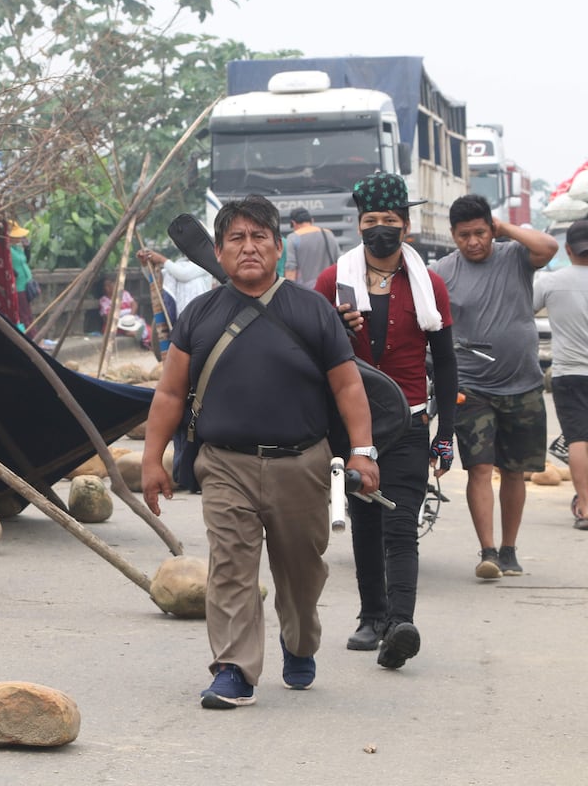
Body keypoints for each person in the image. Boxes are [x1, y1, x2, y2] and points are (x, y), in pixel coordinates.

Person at [142, 194, 379, 709]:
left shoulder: (312, 310)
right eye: (235, 239)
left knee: (300, 570)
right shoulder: (198, 315)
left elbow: (348, 387)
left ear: (278, 248)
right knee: (230, 567)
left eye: (259, 238)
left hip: (303, 462)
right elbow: (169, 393)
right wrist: (151, 459)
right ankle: (234, 669)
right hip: (225, 463)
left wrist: (363, 451)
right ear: (221, 253)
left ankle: (299, 643)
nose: (248, 248)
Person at [314, 172, 458, 669]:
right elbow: (308, 350)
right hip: (351, 427)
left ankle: (400, 623)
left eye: (389, 222)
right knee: (366, 520)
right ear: (358, 225)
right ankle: (371, 616)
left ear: (407, 226)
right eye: (371, 221)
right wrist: (334, 326)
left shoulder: (428, 283)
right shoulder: (333, 282)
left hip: (410, 424)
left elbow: (445, 358)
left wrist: (446, 434)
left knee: (400, 522)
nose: (380, 229)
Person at [431, 194, 558, 579]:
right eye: (464, 235)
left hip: (522, 383)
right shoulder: (441, 272)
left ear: (492, 228)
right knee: (480, 468)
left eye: (481, 232)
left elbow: (549, 247)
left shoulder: (514, 257)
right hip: (471, 387)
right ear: (452, 235)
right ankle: (487, 550)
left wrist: (505, 229)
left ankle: (509, 549)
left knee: (515, 471)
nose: (473, 242)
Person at [533, 218, 588, 529]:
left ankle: (585, 506)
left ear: (568, 249)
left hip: (569, 373)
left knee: (579, 438)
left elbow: (524, 310)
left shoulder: (551, 282)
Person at [135, 248, 213, 322]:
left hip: (201, 317)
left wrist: (161, 259)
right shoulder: (178, 264)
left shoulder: (205, 263)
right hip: (181, 320)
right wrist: (145, 264)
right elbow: (157, 280)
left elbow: (183, 274)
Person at [284, 207, 340, 289]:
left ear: (293, 223)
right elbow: (339, 261)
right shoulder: (328, 234)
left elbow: (291, 267)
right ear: (312, 220)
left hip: (306, 290)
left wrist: (289, 290)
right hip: (329, 286)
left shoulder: (293, 237)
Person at [98, 277, 150, 349]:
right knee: (124, 327)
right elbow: (108, 316)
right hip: (117, 319)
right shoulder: (103, 300)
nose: (108, 288)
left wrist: (130, 316)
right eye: (106, 286)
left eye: (110, 285)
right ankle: (135, 334)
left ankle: (144, 338)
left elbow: (134, 304)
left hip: (130, 316)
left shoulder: (124, 293)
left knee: (143, 325)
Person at [9, 222, 35, 332]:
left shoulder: (17, 248)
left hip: (26, 285)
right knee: (24, 314)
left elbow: (25, 261)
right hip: (18, 287)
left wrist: (27, 249)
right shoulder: (7, 250)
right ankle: (32, 337)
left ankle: (35, 337)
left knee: (28, 313)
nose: (19, 238)